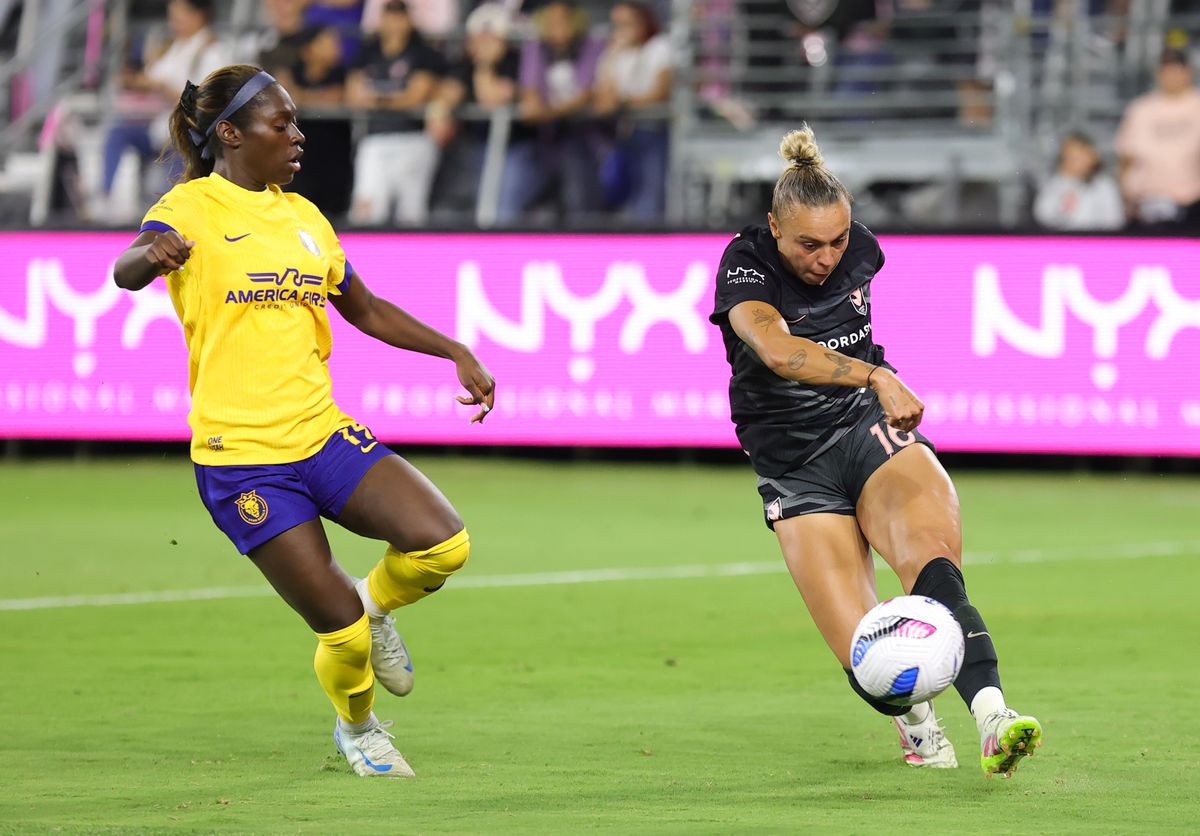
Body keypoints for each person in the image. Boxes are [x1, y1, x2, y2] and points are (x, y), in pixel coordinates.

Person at [111, 64, 495, 778]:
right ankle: (359, 728)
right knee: (340, 636)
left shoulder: (303, 217)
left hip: (319, 434)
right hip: (241, 458)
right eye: (279, 123)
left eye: (294, 121)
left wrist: (453, 349)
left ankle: (376, 606)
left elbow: (366, 308)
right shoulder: (191, 208)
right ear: (229, 134)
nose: (297, 135)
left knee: (444, 545)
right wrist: (148, 257)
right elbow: (127, 269)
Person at [708, 125, 1043, 778]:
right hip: (793, 465)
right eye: (809, 242)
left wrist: (871, 384)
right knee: (864, 654)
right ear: (774, 225)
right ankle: (916, 724)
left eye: (837, 239)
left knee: (935, 569)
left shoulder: (860, 248)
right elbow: (777, 351)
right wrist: (875, 374)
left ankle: (995, 717)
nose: (827, 256)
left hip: (867, 430)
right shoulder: (745, 265)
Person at [101, 0, 230, 215]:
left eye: (178, 17)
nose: (173, 23)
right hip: (159, 127)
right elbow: (151, 79)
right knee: (117, 133)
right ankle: (104, 196)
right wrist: (133, 81)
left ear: (198, 16)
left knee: (178, 153)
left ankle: (172, 214)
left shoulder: (212, 51)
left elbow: (206, 99)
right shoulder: (173, 47)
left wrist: (165, 89)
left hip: (191, 134)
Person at [497, 0, 605, 225]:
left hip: (582, 137)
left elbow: (587, 92)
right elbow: (530, 90)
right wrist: (539, 108)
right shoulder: (536, 47)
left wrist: (550, 112)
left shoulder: (591, 46)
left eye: (563, 20)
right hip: (542, 138)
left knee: (580, 201)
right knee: (515, 196)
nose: (557, 26)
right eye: (552, 21)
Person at [346, 0, 446, 225]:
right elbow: (354, 94)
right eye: (389, 16)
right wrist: (393, 98)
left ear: (408, 19)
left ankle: (410, 260)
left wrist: (377, 97)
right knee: (366, 209)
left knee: (411, 213)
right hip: (374, 138)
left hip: (414, 138)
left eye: (399, 16)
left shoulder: (422, 52)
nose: (394, 22)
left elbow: (415, 96)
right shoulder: (369, 51)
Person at [592, 1, 672, 220]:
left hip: (652, 131)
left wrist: (623, 102)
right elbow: (602, 97)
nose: (622, 29)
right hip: (620, 134)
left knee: (649, 194)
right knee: (617, 192)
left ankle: (648, 243)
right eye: (617, 24)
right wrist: (614, 55)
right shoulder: (614, 53)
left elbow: (661, 92)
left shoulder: (659, 46)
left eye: (627, 23)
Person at [1115, 46, 1200, 230]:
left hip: (1191, 203)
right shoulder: (1141, 108)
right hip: (1146, 204)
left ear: (1188, 72)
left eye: (1176, 69)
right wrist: (1125, 198)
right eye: (1166, 70)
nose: (1171, 76)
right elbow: (1126, 158)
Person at [1033, 131, 1124, 230]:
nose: (1076, 160)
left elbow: (1115, 221)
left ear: (1093, 157)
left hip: (1096, 241)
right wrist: (1065, 184)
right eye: (1071, 157)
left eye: (1080, 155)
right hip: (1063, 241)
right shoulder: (1056, 183)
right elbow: (1042, 215)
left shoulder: (1104, 185)